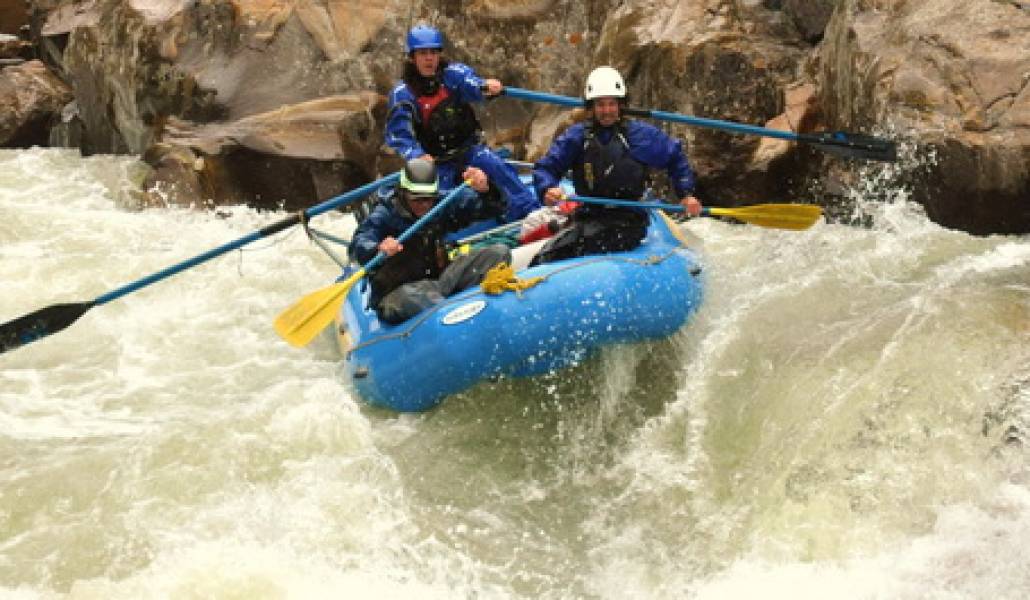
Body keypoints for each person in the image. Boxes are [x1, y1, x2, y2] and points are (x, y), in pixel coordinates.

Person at [530, 66, 703, 264]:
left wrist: (686, 194)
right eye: (601, 105)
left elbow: (675, 157)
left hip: (627, 220)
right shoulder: (577, 137)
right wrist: (547, 188)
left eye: (612, 104)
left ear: (621, 105)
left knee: (565, 249)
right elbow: (546, 168)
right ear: (592, 107)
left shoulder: (640, 136)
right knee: (548, 254)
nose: (607, 111)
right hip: (589, 215)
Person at [385, 24, 540, 222]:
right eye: (423, 53)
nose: (429, 58)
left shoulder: (452, 74)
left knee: (495, 166)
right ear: (412, 57)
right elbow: (398, 136)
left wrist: (484, 87)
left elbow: (471, 83)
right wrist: (416, 156)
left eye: (433, 53)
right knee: (443, 203)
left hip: (470, 150)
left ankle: (531, 213)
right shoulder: (402, 94)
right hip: (437, 163)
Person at [348, 158, 511, 324]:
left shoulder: (439, 204)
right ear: (402, 193)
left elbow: (490, 208)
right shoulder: (385, 214)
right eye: (416, 199)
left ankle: (467, 311)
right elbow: (358, 244)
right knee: (420, 297)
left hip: (439, 282)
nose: (424, 205)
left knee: (499, 253)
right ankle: (453, 318)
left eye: (428, 198)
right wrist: (377, 249)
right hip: (397, 294)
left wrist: (487, 190)